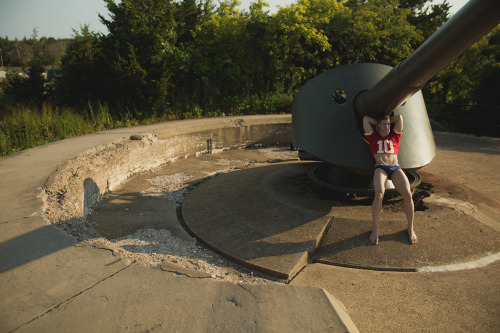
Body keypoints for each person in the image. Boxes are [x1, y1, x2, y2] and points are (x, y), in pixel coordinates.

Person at [363, 114, 418, 245]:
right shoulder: (373, 137)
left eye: (388, 124)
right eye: (384, 124)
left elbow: (399, 117)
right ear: (378, 126)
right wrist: (378, 122)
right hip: (380, 168)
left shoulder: (395, 136)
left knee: (408, 193)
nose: (387, 126)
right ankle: (375, 229)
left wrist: (387, 120)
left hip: (395, 167)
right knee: (380, 193)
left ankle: (410, 228)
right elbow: (366, 119)